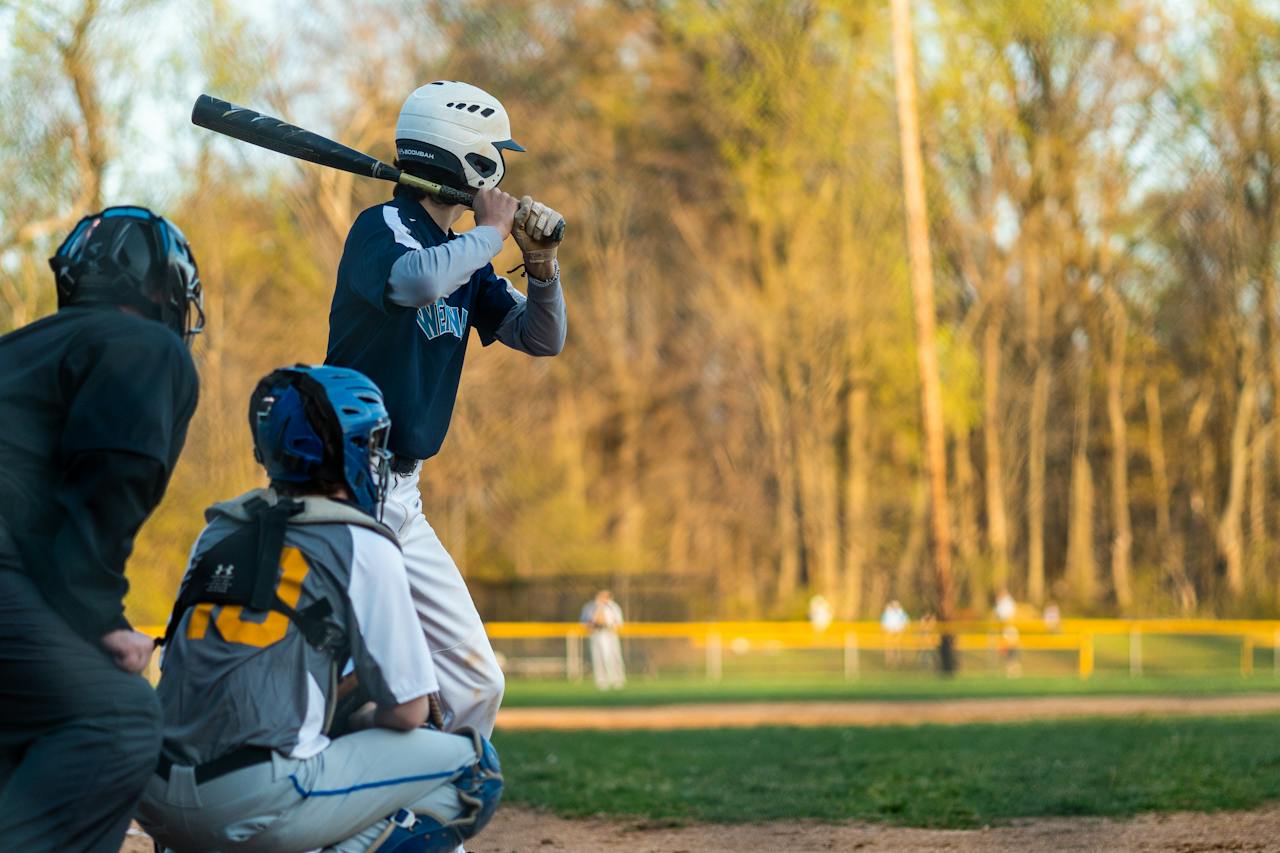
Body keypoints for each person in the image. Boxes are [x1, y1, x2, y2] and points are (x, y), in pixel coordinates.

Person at [137, 365, 501, 853]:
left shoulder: (218, 529)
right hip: (251, 799)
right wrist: (354, 721)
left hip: (155, 793)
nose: (377, 457)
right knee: (474, 769)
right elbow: (409, 711)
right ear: (342, 452)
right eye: (369, 444)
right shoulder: (363, 542)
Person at [326, 80, 568, 740]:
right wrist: (492, 233)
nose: (503, 173)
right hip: (345, 487)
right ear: (467, 159)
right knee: (348, 683)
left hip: (403, 493)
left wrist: (541, 267)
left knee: (477, 681)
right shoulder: (381, 228)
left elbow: (542, 338)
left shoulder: (471, 260)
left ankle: (431, 819)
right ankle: (331, 825)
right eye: (495, 156)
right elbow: (416, 280)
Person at [0, 206, 204, 851]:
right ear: (156, 286)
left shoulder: (22, 349)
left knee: (28, 726)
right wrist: (103, 620)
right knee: (120, 719)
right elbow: (111, 479)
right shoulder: (145, 346)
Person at [580, 590, 626, 690]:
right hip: (596, 634)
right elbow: (585, 623)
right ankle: (601, 682)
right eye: (601, 596)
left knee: (613, 658)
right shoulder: (590, 607)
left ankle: (617, 680)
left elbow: (619, 624)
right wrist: (598, 608)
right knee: (598, 659)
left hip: (610, 634)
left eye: (605, 596)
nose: (603, 598)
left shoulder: (613, 607)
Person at [880, 599, 909, 667]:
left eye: (896, 604)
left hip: (898, 631)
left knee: (897, 646)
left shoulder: (901, 612)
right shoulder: (887, 612)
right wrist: (885, 629)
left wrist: (902, 629)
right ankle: (889, 661)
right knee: (888, 646)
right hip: (889, 631)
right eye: (893, 604)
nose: (895, 606)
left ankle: (898, 661)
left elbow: (906, 622)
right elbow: (883, 622)